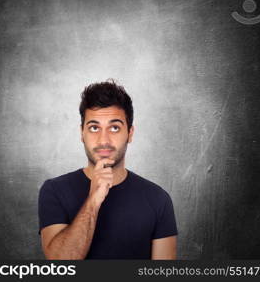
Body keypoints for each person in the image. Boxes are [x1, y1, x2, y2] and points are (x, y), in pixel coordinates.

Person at [38, 80, 178, 259]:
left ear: (130, 133)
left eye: (114, 127)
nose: (104, 140)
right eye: (94, 127)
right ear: (82, 133)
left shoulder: (158, 199)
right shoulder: (54, 191)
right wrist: (94, 200)